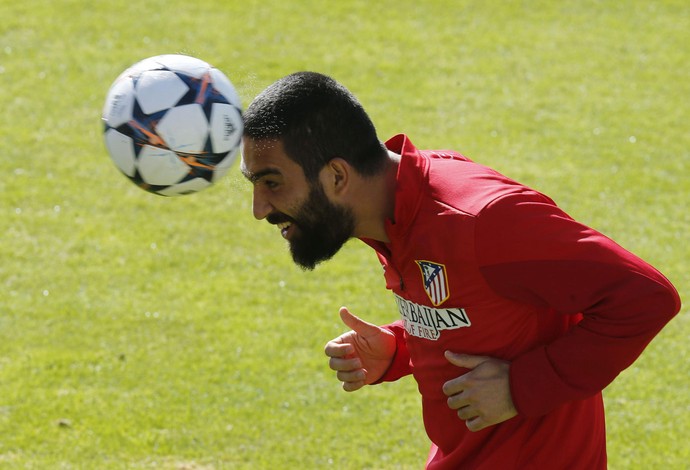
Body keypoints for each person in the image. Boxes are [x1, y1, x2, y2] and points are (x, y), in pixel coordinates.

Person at [240, 71, 681, 469]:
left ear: (337, 176)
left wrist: (522, 387)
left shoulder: (481, 221)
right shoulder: (394, 212)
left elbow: (644, 297)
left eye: (272, 182)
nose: (260, 209)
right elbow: (486, 308)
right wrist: (400, 346)